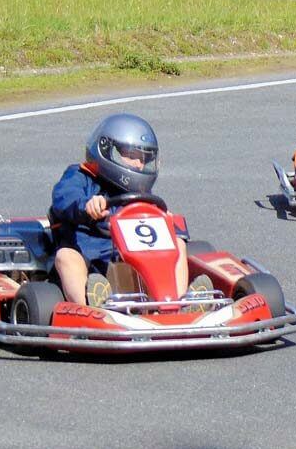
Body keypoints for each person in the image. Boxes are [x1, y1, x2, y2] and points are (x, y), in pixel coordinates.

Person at [50, 113, 205, 307]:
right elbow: (64, 199)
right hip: (89, 253)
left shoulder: (140, 193)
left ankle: (177, 304)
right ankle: (93, 308)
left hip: (131, 254)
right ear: (107, 150)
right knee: (66, 256)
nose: (139, 164)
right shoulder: (79, 176)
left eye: (143, 159)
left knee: (178, 243)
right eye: (132, 156)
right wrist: (87, 206)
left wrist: (163, 221)